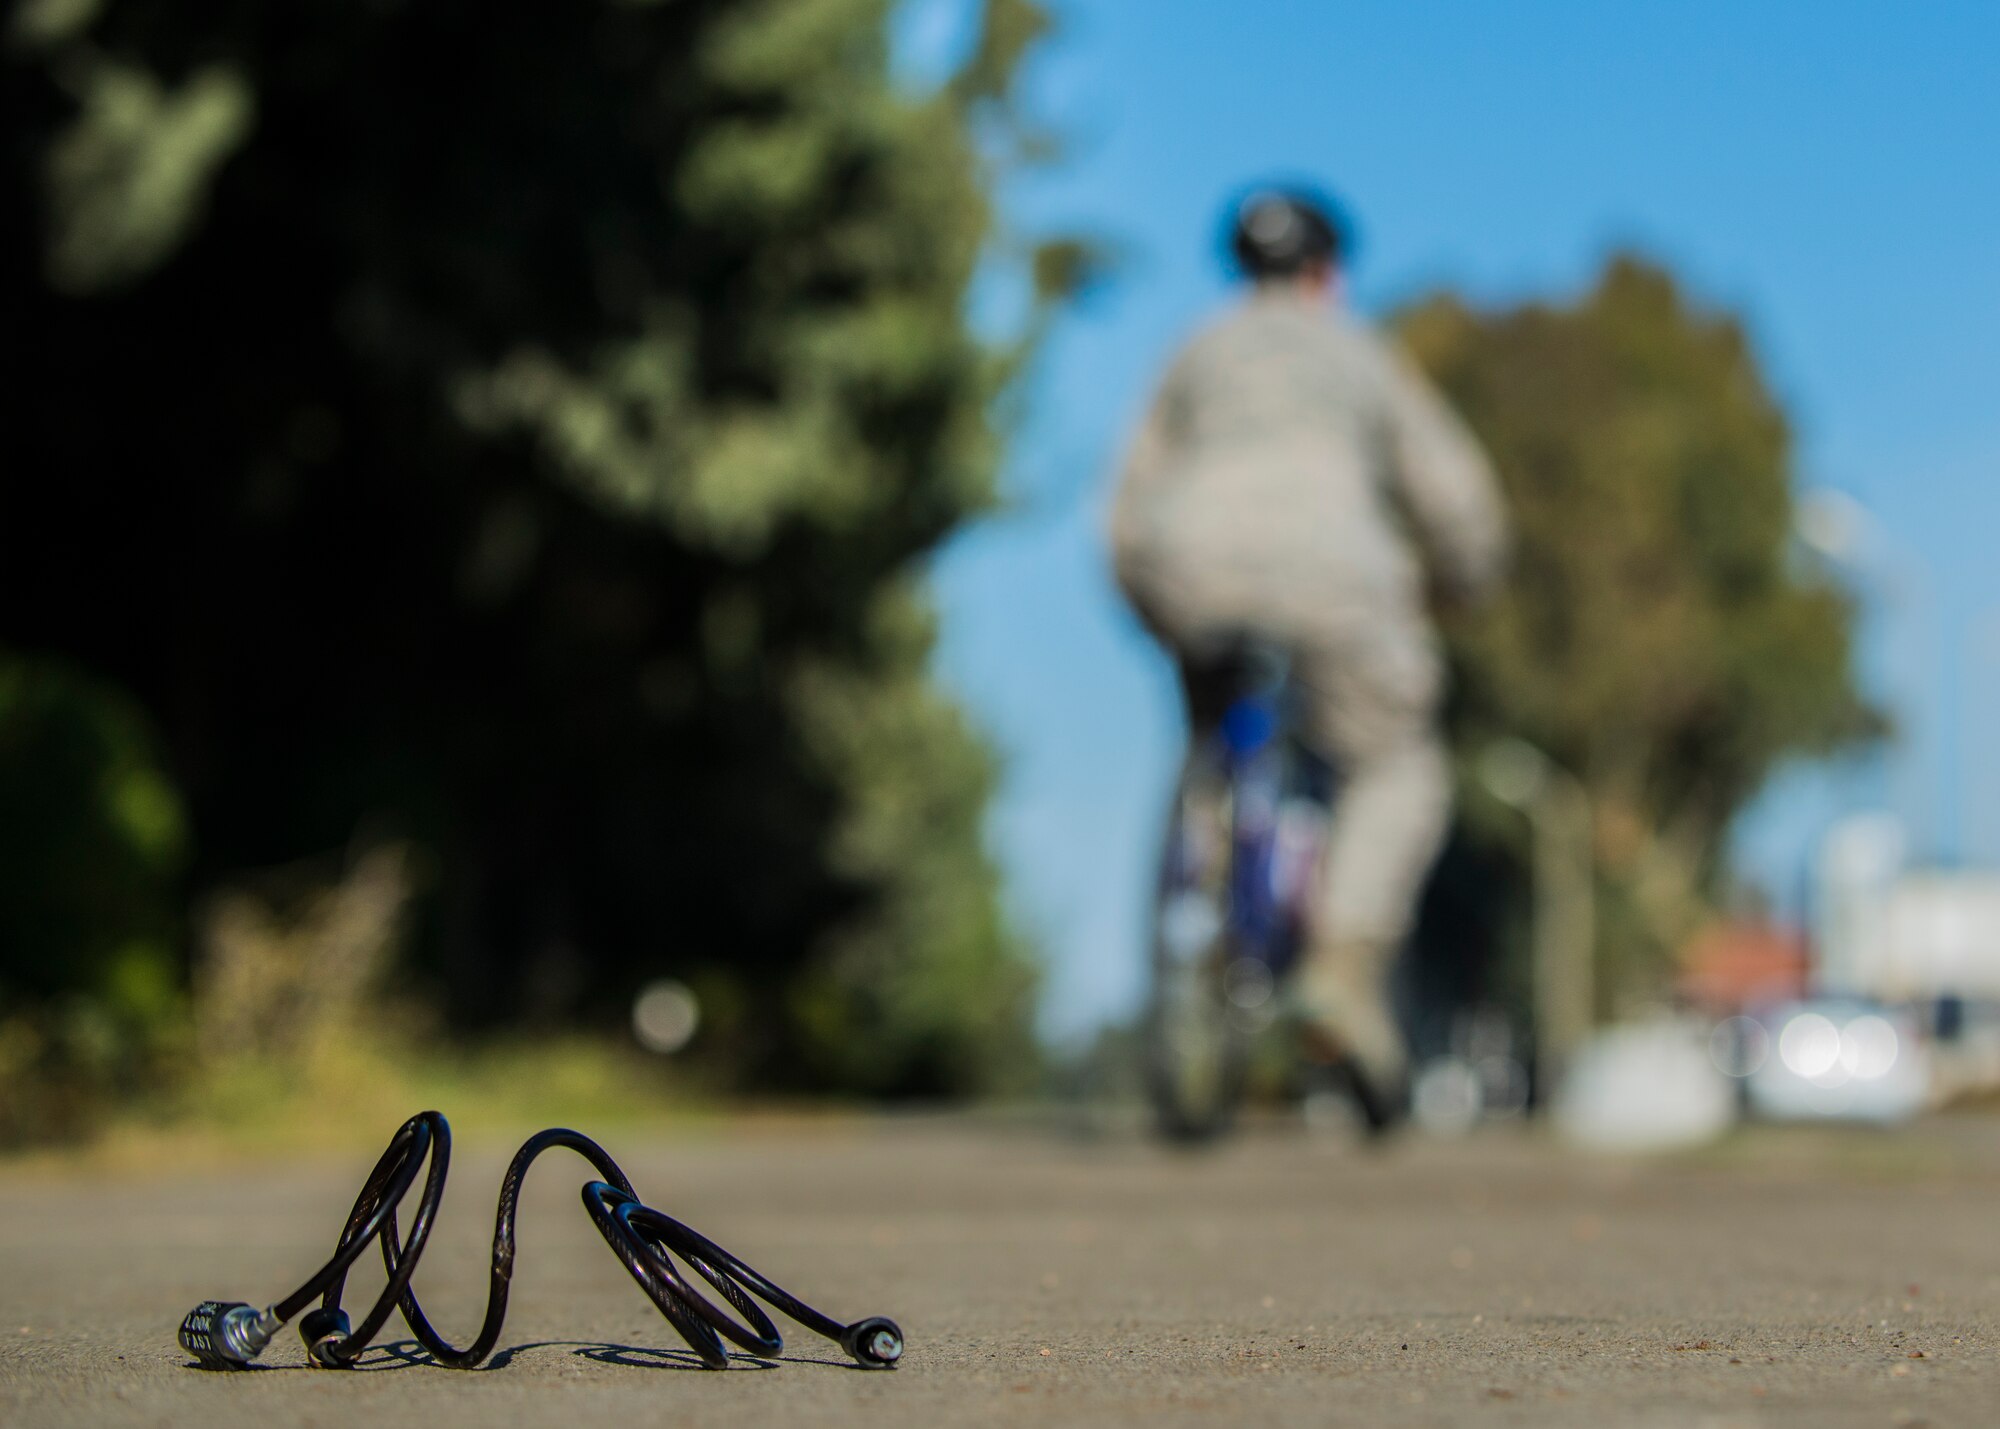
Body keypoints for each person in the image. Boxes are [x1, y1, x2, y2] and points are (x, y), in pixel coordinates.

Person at [1108, 186, 1508, 1124]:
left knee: (1210, 726)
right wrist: (1464, 583)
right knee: (1398, 761)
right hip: (1338, 578)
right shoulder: (1360, 355)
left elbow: (1125, 503)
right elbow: (1458, 502)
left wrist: (1153, 606)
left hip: (1192, 560)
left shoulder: (1196, 350)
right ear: (1329, 274)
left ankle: (1200, 861)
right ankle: (1342, 964)